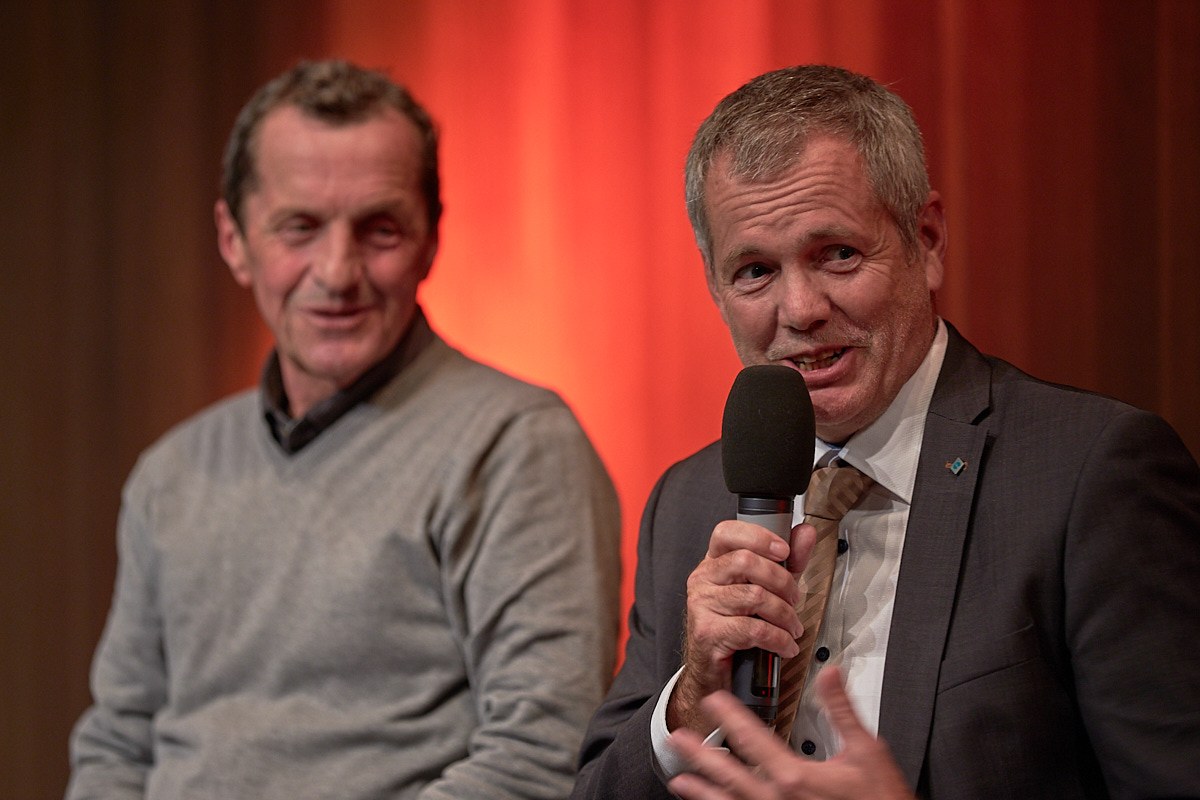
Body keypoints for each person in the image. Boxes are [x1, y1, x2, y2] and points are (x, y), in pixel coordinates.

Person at [571, 65, 1200, 799]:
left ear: (926, 241)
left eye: (836, 253)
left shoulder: (1089, 473)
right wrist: (686, 701)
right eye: (754, 271)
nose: (800, 308)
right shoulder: (690, 499)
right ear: (715, 289)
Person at [67, 59, 621, 800]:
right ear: (234, 240)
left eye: (379, 229)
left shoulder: (517, 444)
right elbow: (116, 743)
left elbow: (541, 753)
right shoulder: (172, 472)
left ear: (430, 240)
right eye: (300, 227)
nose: (338, 271)